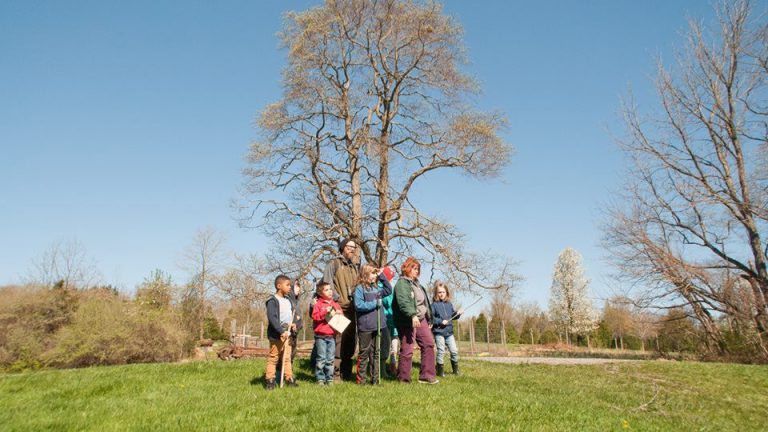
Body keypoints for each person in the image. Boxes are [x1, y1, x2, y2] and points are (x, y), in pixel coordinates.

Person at [392, 257, 439, 384]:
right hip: (408, 320)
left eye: (417, 269)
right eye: (413, 268)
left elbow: (425, 303)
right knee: (407, 349)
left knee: (429, 343)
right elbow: (404, 303)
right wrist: (412, 315)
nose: (416, 271)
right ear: (406, 269)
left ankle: (427, 376)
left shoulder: (418, 285)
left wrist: (429, 317)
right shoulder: (402, 284)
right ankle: (403, 379)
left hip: (421, 319)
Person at [322, 237, 360, 381]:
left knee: (350, 340)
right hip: (337, 308)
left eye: (354, 247)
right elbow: (327, 282)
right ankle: (334, 374)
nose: (352, 249)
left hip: (352, 308)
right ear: (343, 247)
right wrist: (336, 299)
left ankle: (346, 373)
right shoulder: (333, 263)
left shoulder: (354, 267)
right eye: (349, 247)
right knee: (338, 341)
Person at [353, 264, 393, 384]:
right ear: (365, 274)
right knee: (364, 353)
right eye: (373, 273)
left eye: (375, 274)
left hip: (378, 325)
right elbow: (358, 305)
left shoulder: (376, 289)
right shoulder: (360, 289)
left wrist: (381, 275)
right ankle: (361, 380)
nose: (374, 275)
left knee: (376, 353)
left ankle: (375, 379)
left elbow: (388, 289)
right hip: (365, 326)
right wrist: (374, 304)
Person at [264, 274, 298, 390]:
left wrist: (292, 324)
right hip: (277, 334)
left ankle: (289, 379)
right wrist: (280, 331)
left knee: (287, 358)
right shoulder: (272, 301)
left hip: (287, 333)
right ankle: (270, 380)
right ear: (279, 286)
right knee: (274, 357)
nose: (290, 287)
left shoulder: (288, 300)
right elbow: (272, 318)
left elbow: (288, 316)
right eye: (287, 285)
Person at [311, 281, 342, 385]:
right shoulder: (318, 304)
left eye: (330, 289)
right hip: (320, 336)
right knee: (321, 358)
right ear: (320, 293)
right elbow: (315, 317)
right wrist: (325, 312)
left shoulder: (335, 304)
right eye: (326, 290)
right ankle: (320, 378)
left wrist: (338, 314)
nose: (330, 291)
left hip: (331, 336)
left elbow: (340, 319)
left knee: (330, 359)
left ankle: (329, 378)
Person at [431, 281, 463, 376]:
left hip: (449, 332)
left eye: (443, 292)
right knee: (441, 350)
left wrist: (458, 313)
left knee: (454, 351)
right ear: (436, 293)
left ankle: (455, 371)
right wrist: (441, 321)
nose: (441, 294)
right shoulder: (434, 305)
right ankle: (440, 372)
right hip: (439, 332)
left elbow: (453, 316)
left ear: (447, 293)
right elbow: (431, 318)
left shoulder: (449, 304)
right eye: (439, 292)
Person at [276, 278, 303, 379]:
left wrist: (298, 324)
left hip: (294, 332)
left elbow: (298, 316)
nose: (299, 288)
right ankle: (279, 376)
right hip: (285, 331)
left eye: (299, 285)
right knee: (282, 355)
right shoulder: (287, 300)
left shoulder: (296, 301)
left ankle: (288, 375)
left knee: (291, 354)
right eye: (296, 285)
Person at [380, 266, 398, 377]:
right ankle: (382, 369)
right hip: (386, 320)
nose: (392, 280)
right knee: (385, 345)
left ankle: (393, 366)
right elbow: (389, 303)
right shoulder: (383, 287)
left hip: (394, 320)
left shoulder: (391, 286)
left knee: (394, 346)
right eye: (390, 277)